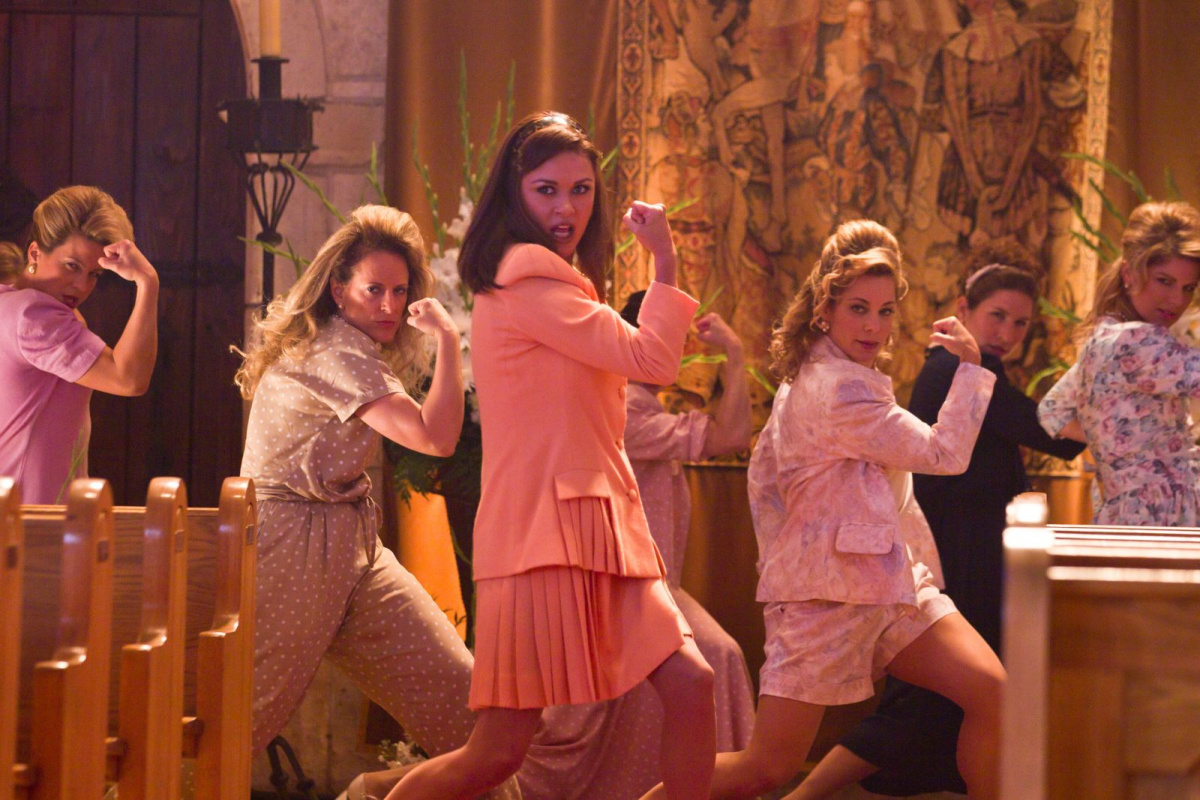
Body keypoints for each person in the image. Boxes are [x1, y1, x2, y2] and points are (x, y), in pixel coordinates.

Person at [387, 111, 715, 800]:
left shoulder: (548, 281)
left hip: (592, 529)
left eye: (580, 190)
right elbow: (654, 360)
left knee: (692, 682)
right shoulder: (527, 280)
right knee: (497, 753)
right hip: (545, 536)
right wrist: (664, 258)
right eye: (546, 190)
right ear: (514, 196)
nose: (566, 209)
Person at [645, 219, 1006, 800]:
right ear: (825, 308)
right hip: (826, 598)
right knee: (766, 768)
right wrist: (971, 365)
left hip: (887, 585)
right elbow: (945, 453)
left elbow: (765, 483)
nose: (874, 326)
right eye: (858, 308)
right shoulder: (839, 388)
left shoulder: (818, 377)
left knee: (990, 690)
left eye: (885, 311)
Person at [233, 205, 519, 800]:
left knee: (467, 710)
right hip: (289, 547)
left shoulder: (356, 350)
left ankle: (367, 791)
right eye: (374, 290)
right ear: (339, 291)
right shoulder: (333, 351)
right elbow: (436, 439)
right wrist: (448, 338)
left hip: (354, 548)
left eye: (399, 291)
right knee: (238, 725)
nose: (389, 305)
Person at [794, 240, 1086, 798]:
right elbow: (1057, 436)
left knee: (961, 700)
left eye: (1020, 323)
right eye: (996, 315)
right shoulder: (954, 367)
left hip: (973, 554)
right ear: (963, 309)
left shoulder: (976, 371)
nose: (1006, 331)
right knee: (923, 706)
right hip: (954, 556)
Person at [516, 297, 756, 799]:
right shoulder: (623, 409)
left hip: (652, 588)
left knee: (721, 657)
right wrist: (734, 354)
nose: (678, 352)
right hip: (617, 589)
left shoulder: (637, 404)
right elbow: (731, 435)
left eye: (679, 341)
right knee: (712, 659)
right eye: (666, 339)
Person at [1040, 200, 1200, 525]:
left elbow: (1052, 410)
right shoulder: (1135, 341)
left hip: (1128, 510)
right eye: (1164, 281)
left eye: (1188, 288)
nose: (1177, 300)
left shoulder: (1103, 338)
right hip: (1162, 515)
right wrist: (1149, 462)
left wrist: (1125, 448)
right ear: (1129, 273)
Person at [0, 185, 158, 504]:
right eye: (71, 266)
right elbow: (128, 379)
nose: (81, 285)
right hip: (27, 519)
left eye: (94, 274)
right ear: (34, 253)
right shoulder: (34, 315)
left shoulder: (13, 303)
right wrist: (148, 282)